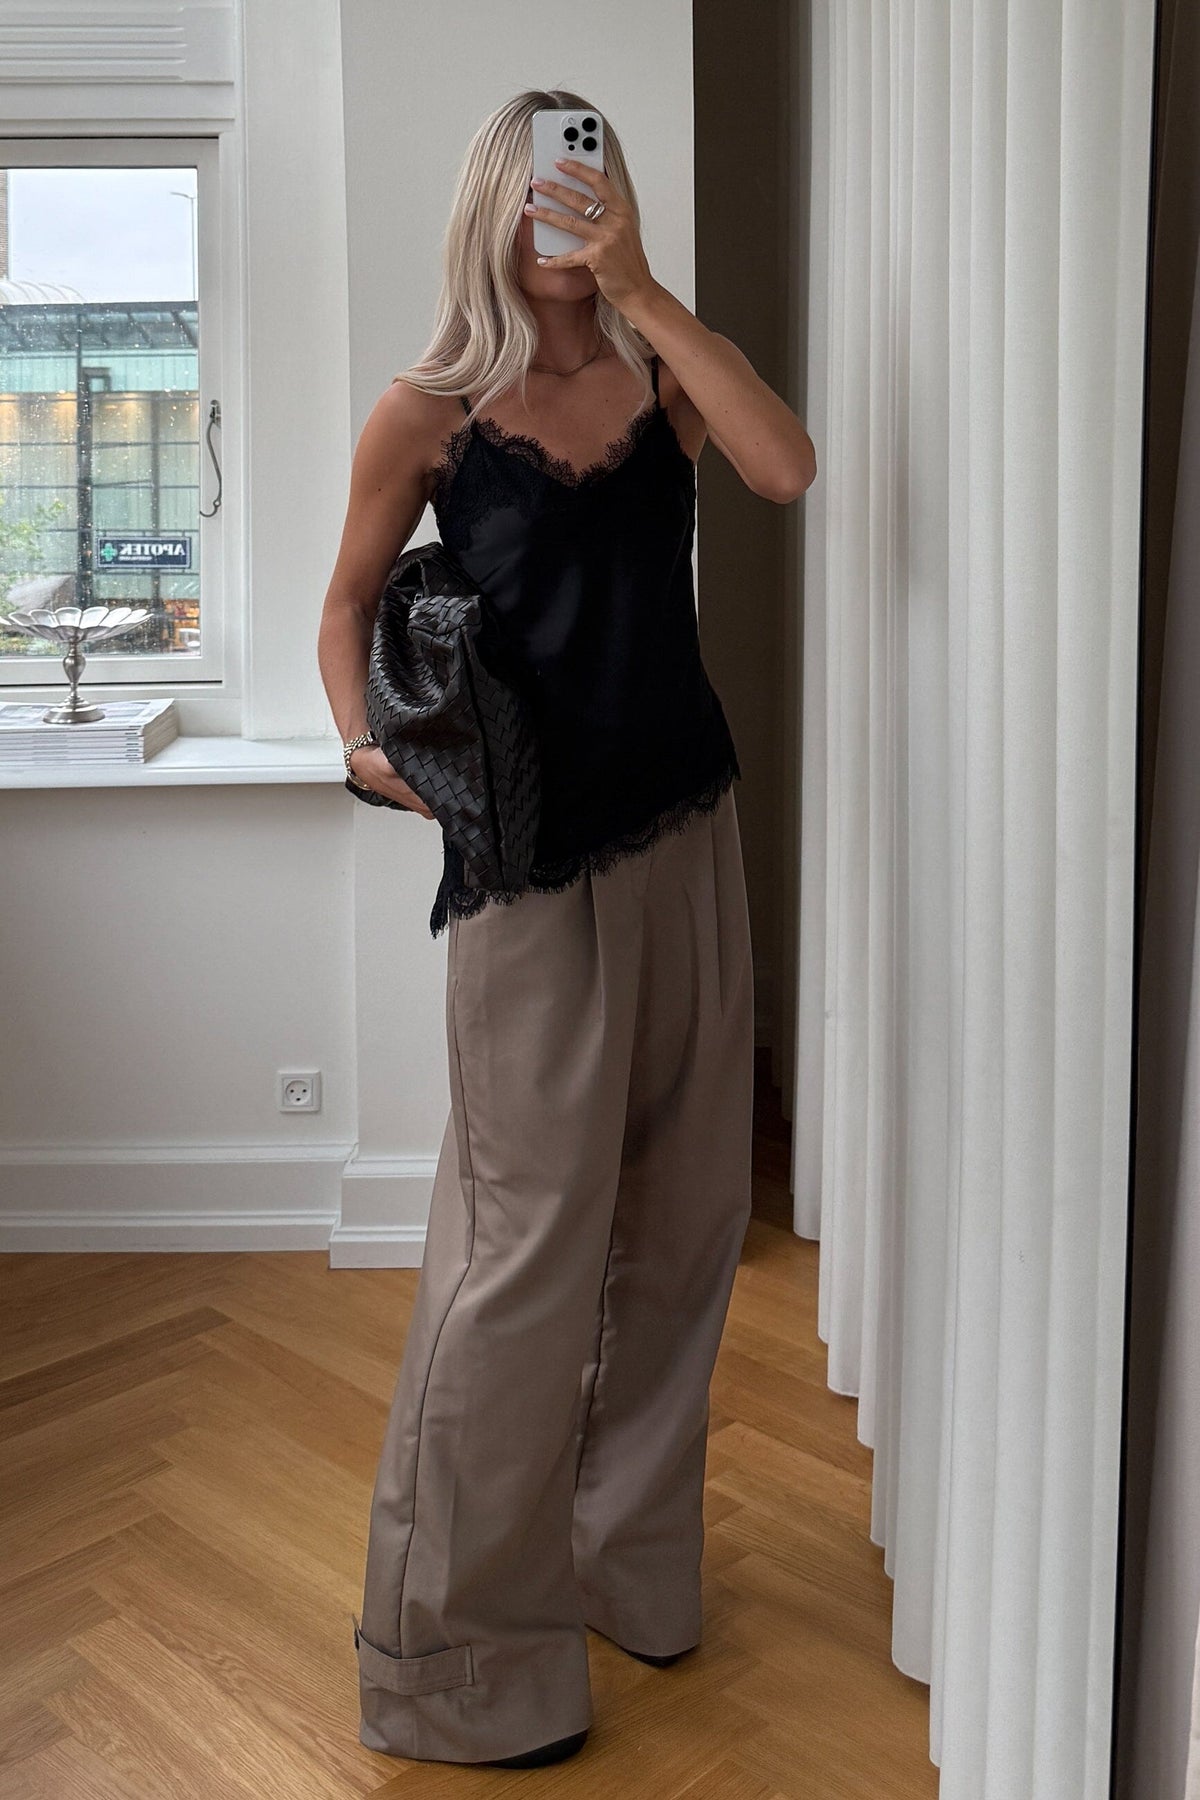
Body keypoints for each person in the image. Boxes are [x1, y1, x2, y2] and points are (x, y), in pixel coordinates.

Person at [317, 87, 815, 1772]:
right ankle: (449, 1662)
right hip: (528, 867)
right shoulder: (431, 410)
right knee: (518, 1260)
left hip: (689, 833)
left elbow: (786, 465)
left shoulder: (666, 376)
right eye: (540, 181)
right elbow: (345, 604)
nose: (564, 205)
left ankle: (620, 1562)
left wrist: (647, 290)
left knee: (684, 1226)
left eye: (587, 176)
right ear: (494, 199)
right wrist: (370, 752)